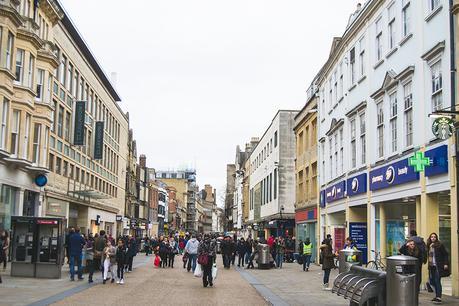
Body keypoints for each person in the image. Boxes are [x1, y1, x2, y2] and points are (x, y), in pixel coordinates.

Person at [427, 233, 449, 304]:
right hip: (431, 266)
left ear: (436, 238)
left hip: (438, 266)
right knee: (432, 281)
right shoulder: (429, 246)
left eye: (434, 237)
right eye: (431, 237)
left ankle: (439, 297)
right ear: (430, 238)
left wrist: (445, 263)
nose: (433, 238)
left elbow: (445, 254)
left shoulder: (440, 245)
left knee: (437, 281)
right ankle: (436, 296)